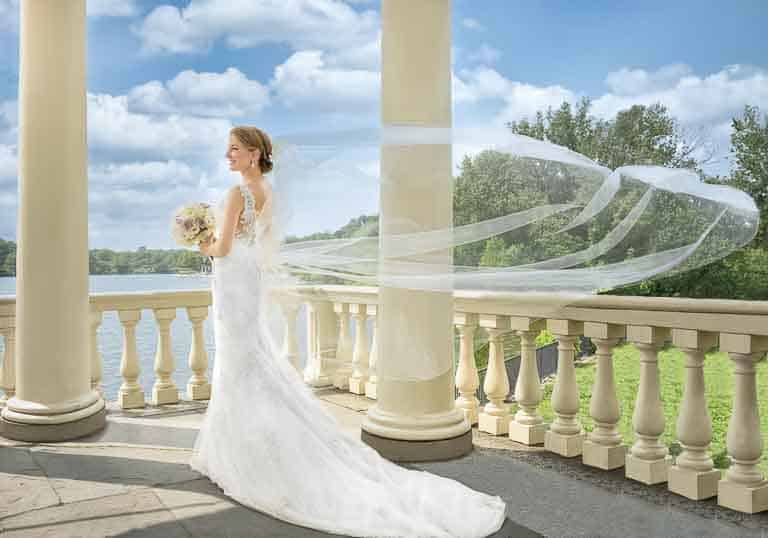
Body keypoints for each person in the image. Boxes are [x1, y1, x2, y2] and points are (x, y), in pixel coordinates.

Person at [189, 125, 507, 538]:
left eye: (234, 149)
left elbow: (226, 247)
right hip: (247, 281)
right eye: (227, 150)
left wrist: (202, 243)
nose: (227, 156)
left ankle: (244, 453)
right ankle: (254, 443)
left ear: (253, 153)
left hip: (234, 278)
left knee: (238, 362)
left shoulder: (236, 194)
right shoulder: (271, 193)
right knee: (251, 359)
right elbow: (263, 247)